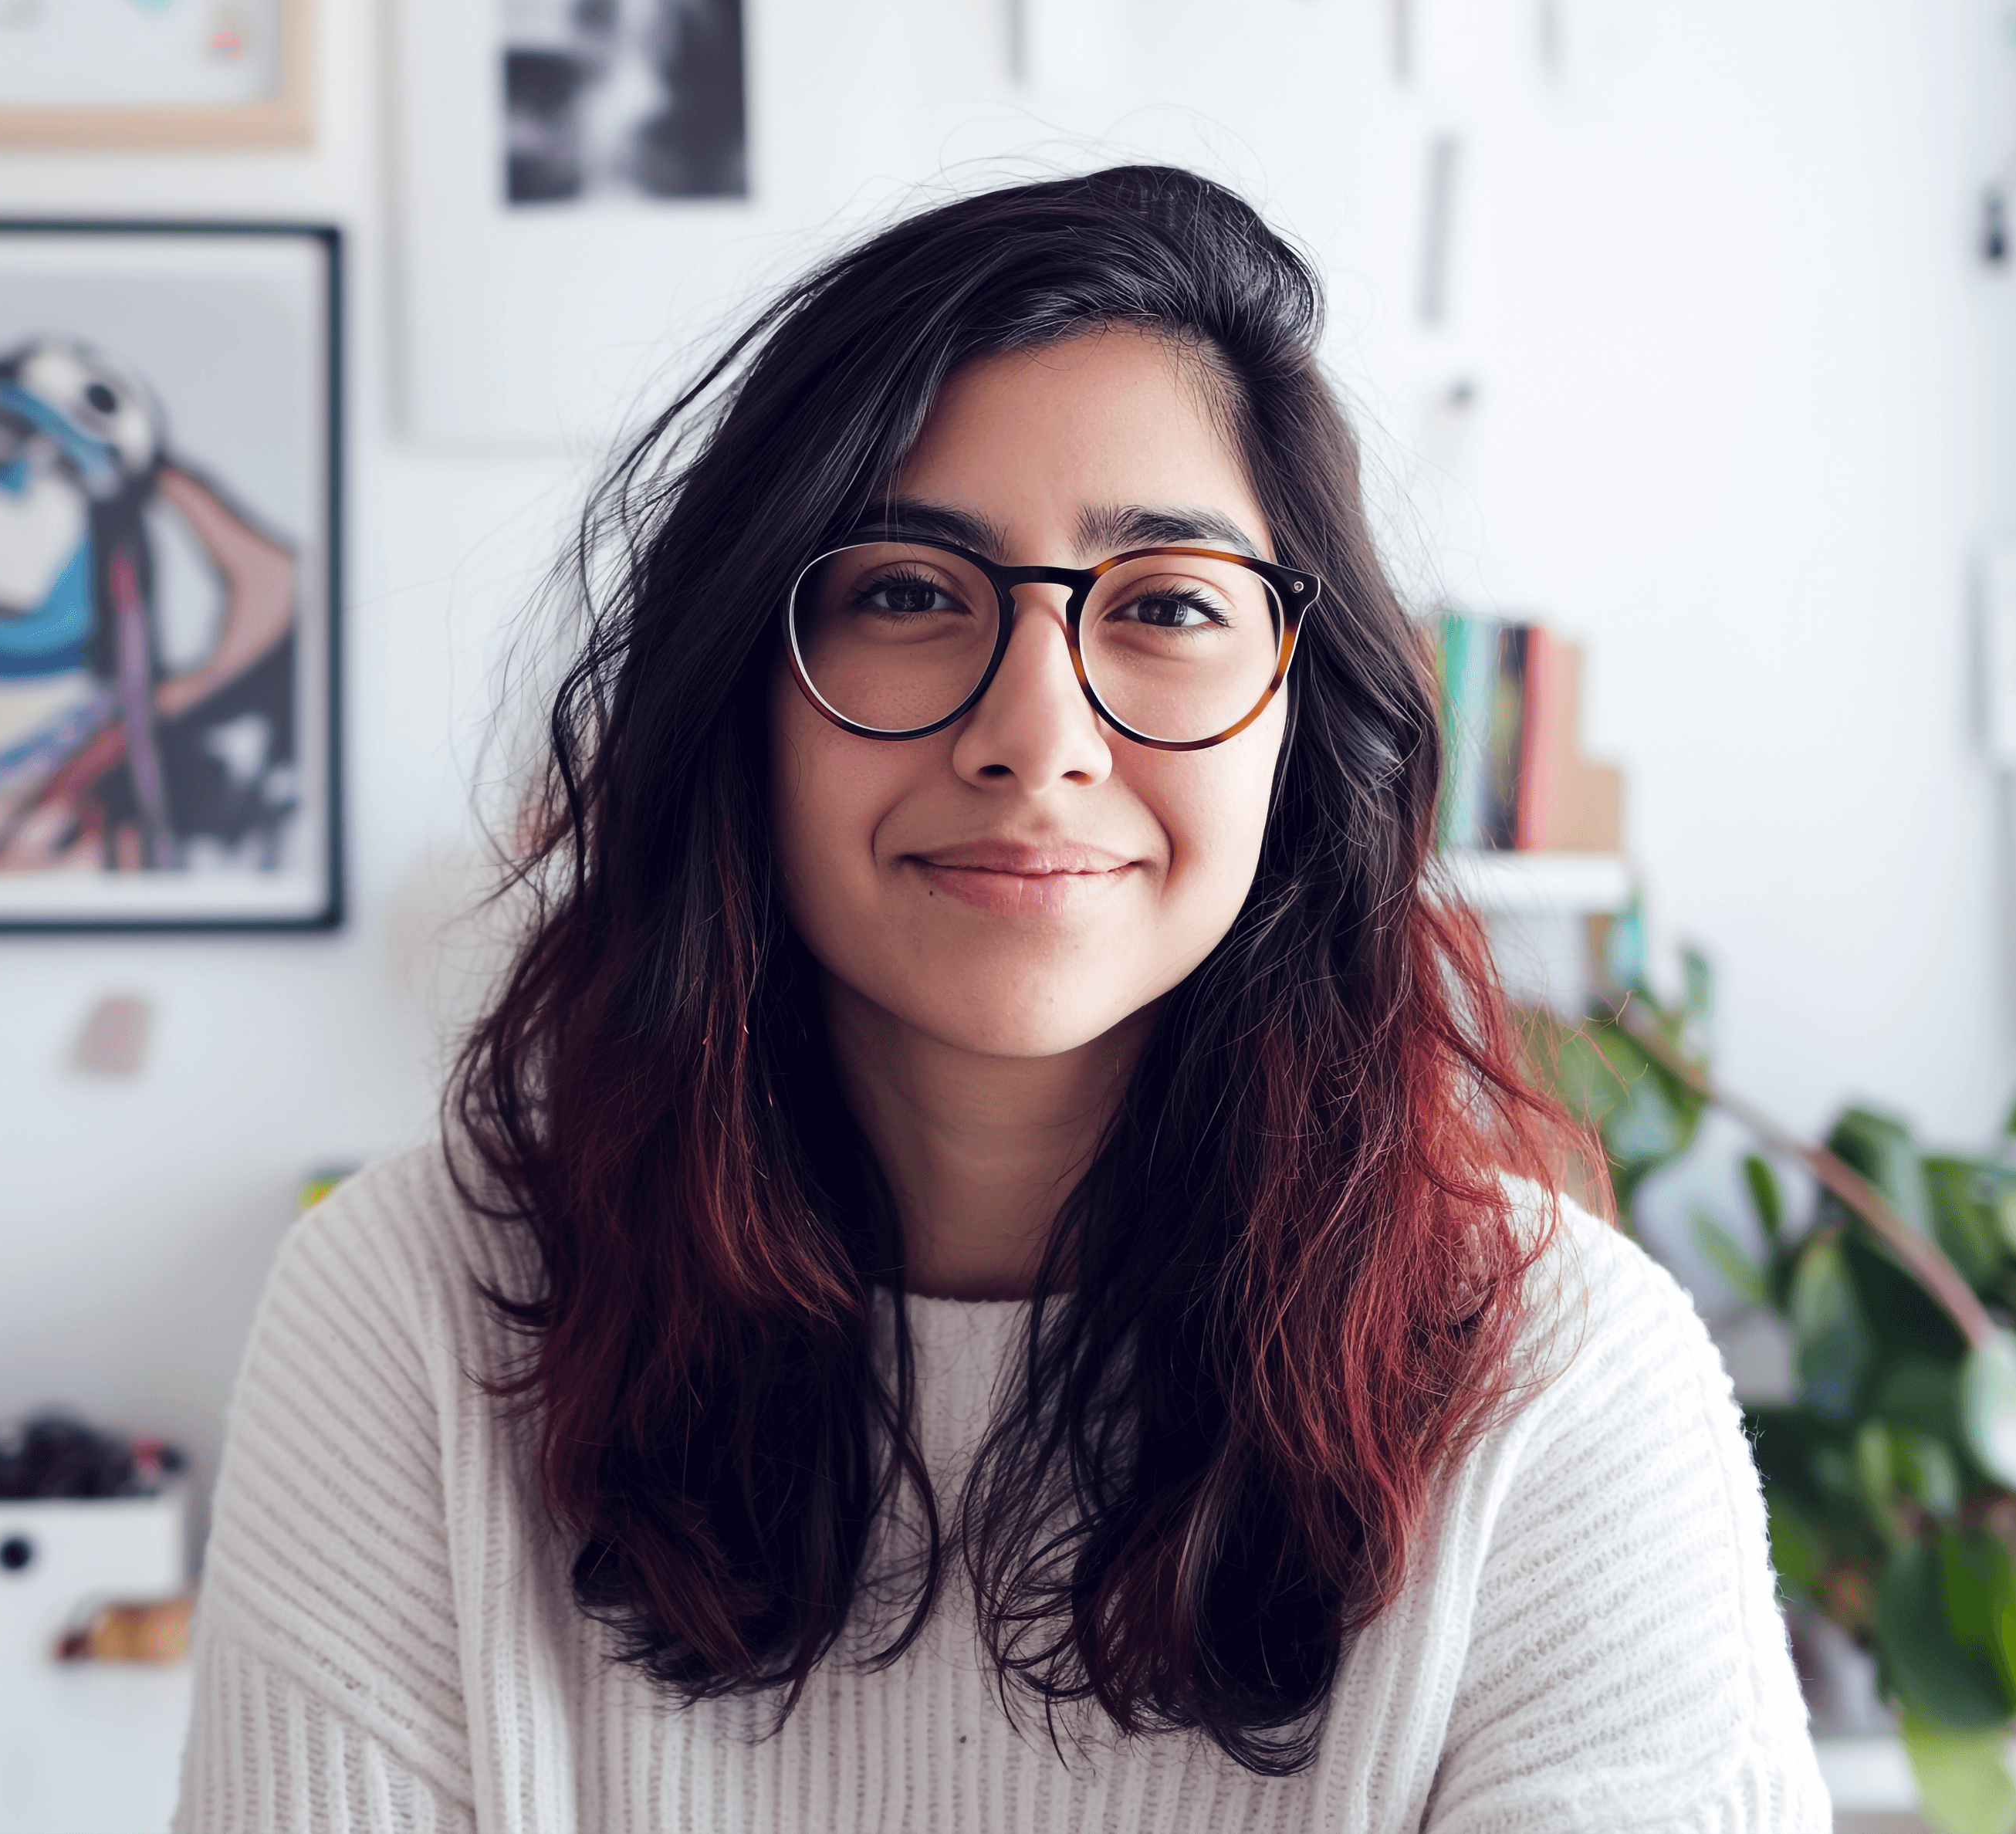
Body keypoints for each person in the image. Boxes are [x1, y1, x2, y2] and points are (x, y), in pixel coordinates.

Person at [181, 168, 1825, 1831]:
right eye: (904, 592)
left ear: (1302, 720)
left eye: (1169, 604)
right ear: (743, 690)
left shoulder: (1558, 1386)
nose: (1036, 738)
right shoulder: (408, 1320)